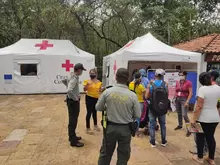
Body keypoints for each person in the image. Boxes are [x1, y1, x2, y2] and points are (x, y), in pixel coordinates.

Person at [96, 68, 141, 165]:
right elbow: (138, 114)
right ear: (128, 79)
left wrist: (108, 107)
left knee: (105, 153)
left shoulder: (108, 92)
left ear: (116, 77)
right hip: (125, 130)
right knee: (123, 156)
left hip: (110, 128)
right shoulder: (132, 95)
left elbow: (98, 107)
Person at [191, 72, 220, 165]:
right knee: (210, 138)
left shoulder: (202, 89)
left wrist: (193, 119)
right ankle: (211, 159)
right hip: (215, 118)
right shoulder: (218, 88)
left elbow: (199, 106)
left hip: (203, 118)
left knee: (200, 138)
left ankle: (200, 157)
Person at [145, 69, 169, 148]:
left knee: (152, 125)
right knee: (163, 124)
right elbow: (167, 95)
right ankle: (163, 141)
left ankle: (152, 142)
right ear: (162, 76)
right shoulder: (165, 84)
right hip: (162, 108)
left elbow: (146, 96)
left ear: (155, 75)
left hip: (153, 108)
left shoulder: (151, 84)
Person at [65, 63, 86, 147]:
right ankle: (73, 141)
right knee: (73, 121)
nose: (82, 72)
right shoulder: (74, 79)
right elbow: (69, 90)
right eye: (82, 70)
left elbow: (65, 82)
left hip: (71, 101)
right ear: (79, 70)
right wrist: (75, 98)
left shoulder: (71, 75)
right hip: (73, 102)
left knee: (72, 120)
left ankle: (72, 137)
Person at [83, 69, 102, 134]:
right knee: (89, 112)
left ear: (96, 74)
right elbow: (84, 89)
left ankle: (95, 125)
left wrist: (102, 89)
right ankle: (88, 128)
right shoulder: (87, 81)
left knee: (95, 111)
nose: (92, 74)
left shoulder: (99, 82)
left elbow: (99, 90)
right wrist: (87, 85)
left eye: (93, 73)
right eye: (91, 73)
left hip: (96, 98)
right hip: (89, 98)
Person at [174, 71, 192, 137]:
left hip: (184, 99)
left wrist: (187, 101)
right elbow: (176, 90)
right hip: (177, 99)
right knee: (179, 113)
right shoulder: (177, 82)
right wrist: (174, 97)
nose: (180, 76)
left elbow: (190, 93)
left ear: (185, 75)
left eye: (182, 75)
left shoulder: (188, 83)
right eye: (179, 75)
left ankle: (189, 129)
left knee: (184, 114)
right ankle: (180, 125)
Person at [129, 72, 146, 136]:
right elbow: (144, 96)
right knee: (138, 117)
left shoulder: (130, 84)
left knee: (132, 116)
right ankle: (136, 131)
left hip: (132, 101)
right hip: (139, 102)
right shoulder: (141, 86)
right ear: (140, 78)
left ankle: (131, 129)